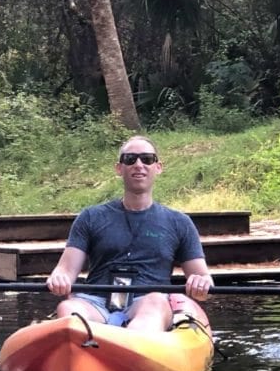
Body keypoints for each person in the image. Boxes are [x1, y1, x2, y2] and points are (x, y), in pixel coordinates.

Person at [46, 136, 213, 332]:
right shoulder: (90, 217)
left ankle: (128, 345)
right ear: (119, 168)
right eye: (130, 159)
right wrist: (59, 279)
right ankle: (87, 346)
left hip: (149, 302)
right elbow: (65, 270)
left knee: (154, 303)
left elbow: (203, 280)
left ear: (158, 167)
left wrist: (201, 284)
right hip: (95, 302)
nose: (139, 164)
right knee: (68, 307)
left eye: (147, 159)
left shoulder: (179, 222)